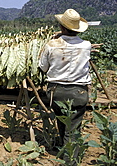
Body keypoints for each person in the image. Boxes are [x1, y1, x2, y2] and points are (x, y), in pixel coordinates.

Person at [39, 9, 91, 165]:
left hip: (56, 91)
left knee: (62, 120)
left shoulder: (51, 45)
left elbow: (43, 67)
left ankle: (67, 157)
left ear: (62, 27)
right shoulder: (86, 45)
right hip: (79, 91)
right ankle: (70, 159)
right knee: (73, 128)